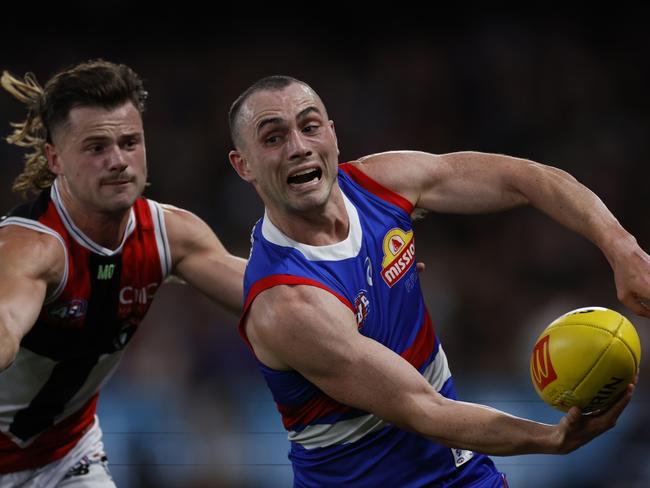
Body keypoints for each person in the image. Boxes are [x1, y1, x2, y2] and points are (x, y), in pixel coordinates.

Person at [227, 75, 650, 487]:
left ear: (333, 135)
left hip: (462, 469)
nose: (299, 147)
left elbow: (524, 178)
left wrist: (621, 247)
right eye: (273, 138)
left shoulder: (381, 183)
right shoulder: (286, 301)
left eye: (310, 126)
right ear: (243, 165)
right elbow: (424, 409)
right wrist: (553, 438)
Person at [0, 60, 246, 487]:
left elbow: (268, 295)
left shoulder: (172, 234)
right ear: (54, 158)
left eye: (130, 142)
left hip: (68, 457)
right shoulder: (31, 247)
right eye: (96, 148)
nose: (118, 160)